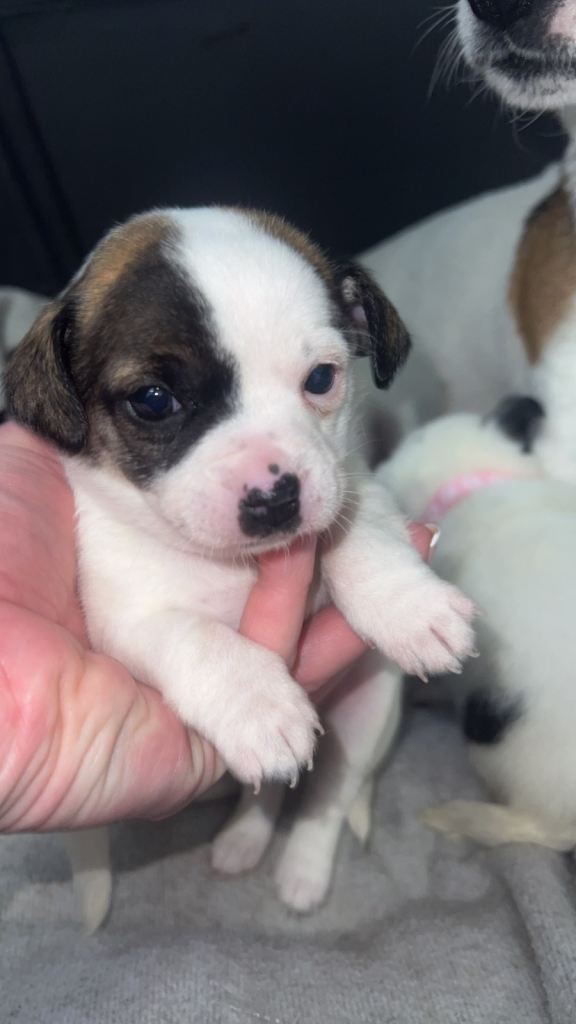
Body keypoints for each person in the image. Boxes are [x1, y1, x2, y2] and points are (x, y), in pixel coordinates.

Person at [0, 422, 433, 833]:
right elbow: (136, 624)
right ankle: (259, 812)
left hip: (321, 657)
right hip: (231, 686)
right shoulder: (104, 509)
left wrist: (387, 584)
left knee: (367, 683)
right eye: (154, 403)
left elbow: (359, 497)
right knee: (268, 739)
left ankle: (321, 827)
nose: (266, 484)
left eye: (318, 381)